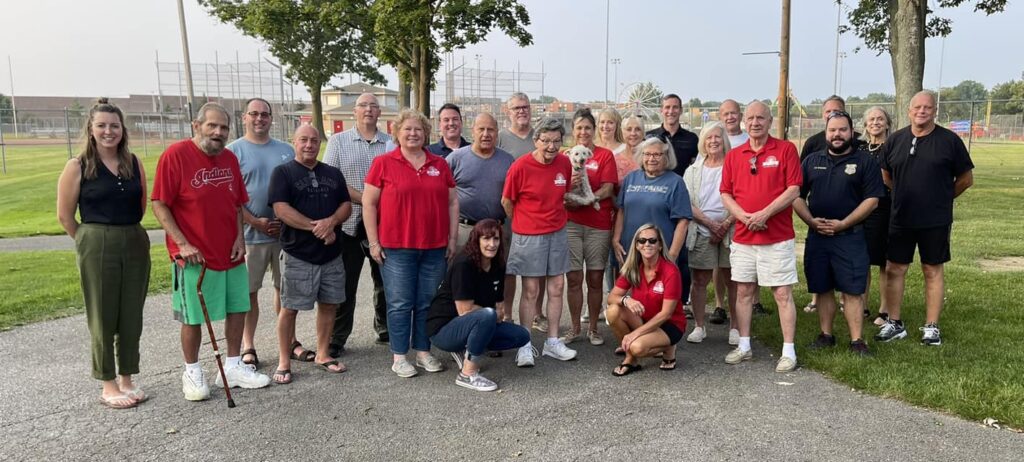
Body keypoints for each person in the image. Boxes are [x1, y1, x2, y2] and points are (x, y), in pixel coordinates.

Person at [151, 102, 271, 401]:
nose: (218, 132)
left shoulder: (229, 159)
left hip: (229, 252)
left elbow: (236, 204)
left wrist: (239, 238)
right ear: (197, 125)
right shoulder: (175, 156)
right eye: (212, 126)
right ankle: (191, 371)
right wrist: (181, 243)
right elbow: (159, 203)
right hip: (194, 256)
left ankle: (232, 366)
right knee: (193, 318)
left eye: (223, 128)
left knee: (237, 308)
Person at [57, 98, 151, 409]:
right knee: (103, 313)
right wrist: (89, 240)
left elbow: (140, 205)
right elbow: (65, 216)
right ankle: (108, 383)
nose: (108, 131)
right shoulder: (78, 166)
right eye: (102, 126)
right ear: (91, 129)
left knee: (131, 314)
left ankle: (127, 377)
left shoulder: (133, 163)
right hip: (96, 239)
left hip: (134, 238)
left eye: (114, 126)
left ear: (123, 130)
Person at [364, 109, 458, 377]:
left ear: (426, 133)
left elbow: (452, 202)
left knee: (427, 302)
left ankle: (423, 351)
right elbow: (369, 204)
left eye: (418, 129)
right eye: (407, 129)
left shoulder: (439, 164)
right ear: (397, 133)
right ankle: (399, 355)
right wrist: (373, 243)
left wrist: (452, 239)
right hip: (396, 247)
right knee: (400, 303)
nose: (413, 133)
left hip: (434, 247)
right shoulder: (383, 163)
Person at [877, 90, 974, 346]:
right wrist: (900, 194)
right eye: (917, 107)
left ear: (935, 111)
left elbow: (966, 179)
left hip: (935, 220)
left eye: (927, 108)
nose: (922, 111)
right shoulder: (896, 140)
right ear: (909, 111)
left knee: (932, 269)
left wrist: (942, 198)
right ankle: (894, 323)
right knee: (895, 268)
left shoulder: (949, 141)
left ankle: (931, 327)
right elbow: (886, 175)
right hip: (901, 218)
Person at [719, 101, 802, 373]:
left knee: (781, 293)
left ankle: (788, 351)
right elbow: (726, 193)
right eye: (751, 118)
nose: (755, 123)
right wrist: (743, 217)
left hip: (776, 237)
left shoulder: (786, 149)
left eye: (761, 118)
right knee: (743, 291)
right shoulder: (734, 155)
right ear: (744, 121)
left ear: (770, 121)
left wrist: (765, 213)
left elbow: (793, 190)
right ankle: (744, 345)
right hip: (743, 237)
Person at [793, 111, 884, 356]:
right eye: (832, 130)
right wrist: (811, 221)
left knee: (853, 290)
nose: (837, 134)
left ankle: (857, 340)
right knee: (822, 288)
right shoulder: (811, 161)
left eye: (842, 130)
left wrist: (843, 224)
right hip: (818, 237)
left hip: (850, 236)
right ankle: (826, 335)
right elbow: (796, 196)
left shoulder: (865, 161)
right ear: (826, 132)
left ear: (851, 132)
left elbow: (872, 200)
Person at [229, 97, 311, 369]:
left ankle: (290, 340)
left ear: (271, 118)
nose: (260, 119)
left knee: (285, 291)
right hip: (250, 236)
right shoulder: (233, 152)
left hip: (283, 235)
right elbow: (231, 198)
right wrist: (255, 221)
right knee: (249, 293)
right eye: (254, 114)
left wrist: (285, 221)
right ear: (244, 117)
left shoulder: (286, 150)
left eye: (265, 114)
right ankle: (248, 345)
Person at [267, 125, 353, 384]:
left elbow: (346, 204)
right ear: (294, 142)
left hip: (331, 255)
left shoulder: (333, 173)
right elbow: (281, 209)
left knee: (329, 304)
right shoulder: (282, 173)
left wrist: (332, 221)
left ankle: (323, 353)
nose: (309, 145)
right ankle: (284, 359)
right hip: (298, 254)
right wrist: (318, 227)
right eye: (303, 140)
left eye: (314, 140)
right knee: (289, 307)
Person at [501, 117, 578, 366]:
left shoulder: (565, 163)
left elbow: (562, 194)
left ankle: (553, 342)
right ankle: (524, 344)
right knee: (531, 291)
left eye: (557, 141)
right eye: (546, 141)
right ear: (536, 140)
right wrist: (525, 223)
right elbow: (507, 202)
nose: (551, 147)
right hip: (528, 236)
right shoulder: (520, 166)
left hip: (557, 233)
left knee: (556, 288)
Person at [427, 220, 532, 391]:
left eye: (496, 239)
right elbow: (464, 310)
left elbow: (500, 308)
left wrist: (491, 315)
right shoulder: (464, 264)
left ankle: (468, 348)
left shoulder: (498, 264)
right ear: (476, 240)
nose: (492, 244)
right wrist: (489, 314)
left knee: (521, 336)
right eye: (486, 239)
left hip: (475, 321)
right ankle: (467, 374)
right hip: (443, 329)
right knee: (487, 315)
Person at [323, 92, 392, 355]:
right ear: (354, 111)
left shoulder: (389, 143)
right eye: (363, 105)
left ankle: (385, 329)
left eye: (374, 106)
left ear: (379, 113)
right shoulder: (339, 141)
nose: (368, 110)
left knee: (384, 281)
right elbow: (332, 178)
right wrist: (366, 199)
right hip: (349, 222)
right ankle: (337, 337)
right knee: (345, 283)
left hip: (382, 223)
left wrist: (375, 204)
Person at [613, 136, 692, 325]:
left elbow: (683, 221)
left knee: (657, 296)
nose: (652, 158)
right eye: (647, 154)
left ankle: (658, 338)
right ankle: (633, 338)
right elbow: (621, 210)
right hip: (631, 249)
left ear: (666, 157)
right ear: (641, 156)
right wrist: (615, 239)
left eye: (658, 154)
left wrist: (672, 254)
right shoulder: (631, 178)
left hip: (659, 251)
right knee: (627, 296)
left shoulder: (675, 182)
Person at [564, 108, 617, 347]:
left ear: (593, 130)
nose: (583, 131)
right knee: (574, 278)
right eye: (579, 127)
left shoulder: (604, 156)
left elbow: (608, 189)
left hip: (598, 226)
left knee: (595, 277)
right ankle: (575, 327)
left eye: (587, 127)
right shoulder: (565, 156)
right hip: (572, 224)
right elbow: (559, 189)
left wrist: (588, 199)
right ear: (573, 131)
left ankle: (594, 328)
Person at [682, 122, 738, 345]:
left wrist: (724, 224)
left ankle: (735, 327)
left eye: (717, 137)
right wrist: (709, 224)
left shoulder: (734, 166)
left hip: (730, 229)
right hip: (700, 230)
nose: (713, 141)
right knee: (699, 280)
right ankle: (699, 326)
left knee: (732, 279)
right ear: (703, 142)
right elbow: (687, 201)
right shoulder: (693, 169)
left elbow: (742, 197)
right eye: (708, 138)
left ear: (724, 140)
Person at [606, 224, 686, 376]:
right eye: (642, 241)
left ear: (660, 245)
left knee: (636, 346)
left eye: (652, 240)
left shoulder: (670, 271)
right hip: (644, 319)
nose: (647, 244)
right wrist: (626, 300)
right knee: (613, 311)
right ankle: (631, 359)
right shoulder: (633, 267)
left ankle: (668, 346)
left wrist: (633, 335)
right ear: (636, 245)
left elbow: (666, 314)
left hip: (669, 324)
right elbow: (611, 297)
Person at [497, 92, 543, 332]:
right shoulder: (501, 138)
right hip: (509, 216)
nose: (521, 111)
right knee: (509, 268)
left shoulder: (540, 137)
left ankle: (538, 314)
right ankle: (507, 315)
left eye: (525, 107)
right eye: (516, 108)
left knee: (538, 268)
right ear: (508, 112)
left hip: (538, 217)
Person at [447, 113, 515, 257]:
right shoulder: (455, 159)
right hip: (465, 230)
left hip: (498, 231)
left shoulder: (508, 161)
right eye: (481, 129)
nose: (486, 134)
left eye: (490, 130)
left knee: (502, 276)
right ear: (473, 131)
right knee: (462, 276)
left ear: (497, 132)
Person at [716, 99, 758, 320]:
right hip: (721, 206)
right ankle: (719, 304)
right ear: (720, 116)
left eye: (734, 113)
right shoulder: (716, 137)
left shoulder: (747, 140)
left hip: (742, 214)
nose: (730, 117)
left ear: (740, 115)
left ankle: (754, 301)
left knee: (738, 265)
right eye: (725, 113)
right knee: (719, 265)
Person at [861, 106, 894, 327]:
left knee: (884, 262)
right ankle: (861, 304)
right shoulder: (859, 149)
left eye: (880, 119)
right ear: (865, 125)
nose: (875, 122)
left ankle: (885, 309)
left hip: (885, 210)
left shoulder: (892, 147)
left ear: (888, 123)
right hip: (861, 210)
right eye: (871, 119)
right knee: (861, 260)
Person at [646, 93, 699, 174]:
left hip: (683, 185)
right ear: (661, 110)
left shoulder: (692, 139)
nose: (671, 111)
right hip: (656, 185)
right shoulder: (649, 137)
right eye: (667, 107)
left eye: (675, 107)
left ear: (681, 110)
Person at [800, 95, 862, 160]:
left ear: (844, 113)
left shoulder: (860, 140)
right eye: (828, 111)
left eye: (836, 111)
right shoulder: (812, 143)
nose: (832, 114)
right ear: (823, 115)